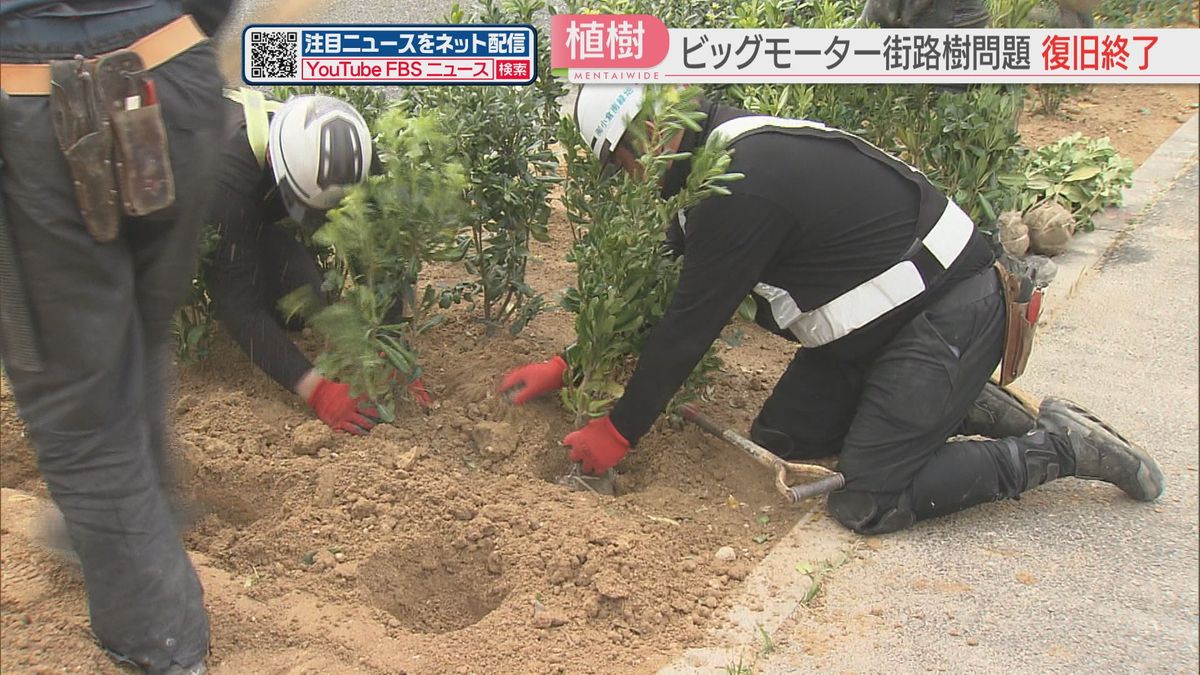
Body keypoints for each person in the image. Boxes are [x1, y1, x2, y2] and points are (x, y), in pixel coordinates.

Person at [499, 84, 1165, 535]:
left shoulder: (741, 187)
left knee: (870, 498)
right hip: (891, 325)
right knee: (782, 444)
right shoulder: (718, 161)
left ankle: (1059, 448)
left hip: (953, 309)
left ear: (646, 132)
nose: (630, 179)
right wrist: (572, 362)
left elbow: (688, 326)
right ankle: (965, 404)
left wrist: (619, 430)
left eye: (621, 164)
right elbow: (670, 292)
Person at [0, 1, 229, 673]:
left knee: (80, 417)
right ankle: (120, 522)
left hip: (42, 99)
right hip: (175, 74)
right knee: (134, 328)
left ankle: (163, 643)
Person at [206, 90, 429, 435]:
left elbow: (374, 248)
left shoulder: (354, 152)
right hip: (176, 207)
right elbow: (237, 303)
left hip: (252, 215)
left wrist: (388, 342)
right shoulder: (224, 180)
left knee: (298, 302)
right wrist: (316, 389)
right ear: (275, 166)